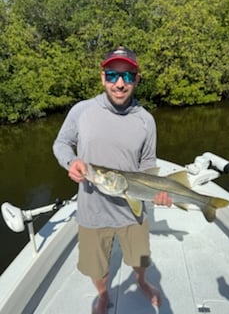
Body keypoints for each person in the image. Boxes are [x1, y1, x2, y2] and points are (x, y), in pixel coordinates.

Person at [53, 46, 172, 314]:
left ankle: (142, 282)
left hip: (133, 210)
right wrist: (71, 162)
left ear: (137, 79)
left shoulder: (145, 120)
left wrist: (159, 193)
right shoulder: (82, 111)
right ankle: (104, 294)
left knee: (139, 259)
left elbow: (148, 165)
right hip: (92, 211)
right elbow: (61, 144)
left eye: (128, 76)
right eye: (112, 75)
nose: (120, 84)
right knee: (97, 268)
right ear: (102, 76)